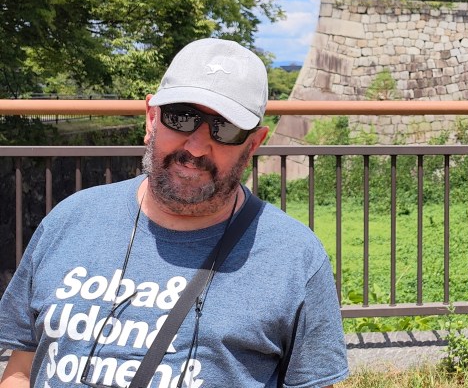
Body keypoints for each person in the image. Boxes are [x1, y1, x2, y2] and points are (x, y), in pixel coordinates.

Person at [0, 38, 349, 387]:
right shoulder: (69, 221)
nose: (196, 147)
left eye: (225, 128)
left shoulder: (295, 257)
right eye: (181, 117)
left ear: (253, 144)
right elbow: (21, 370)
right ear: (151, 118)